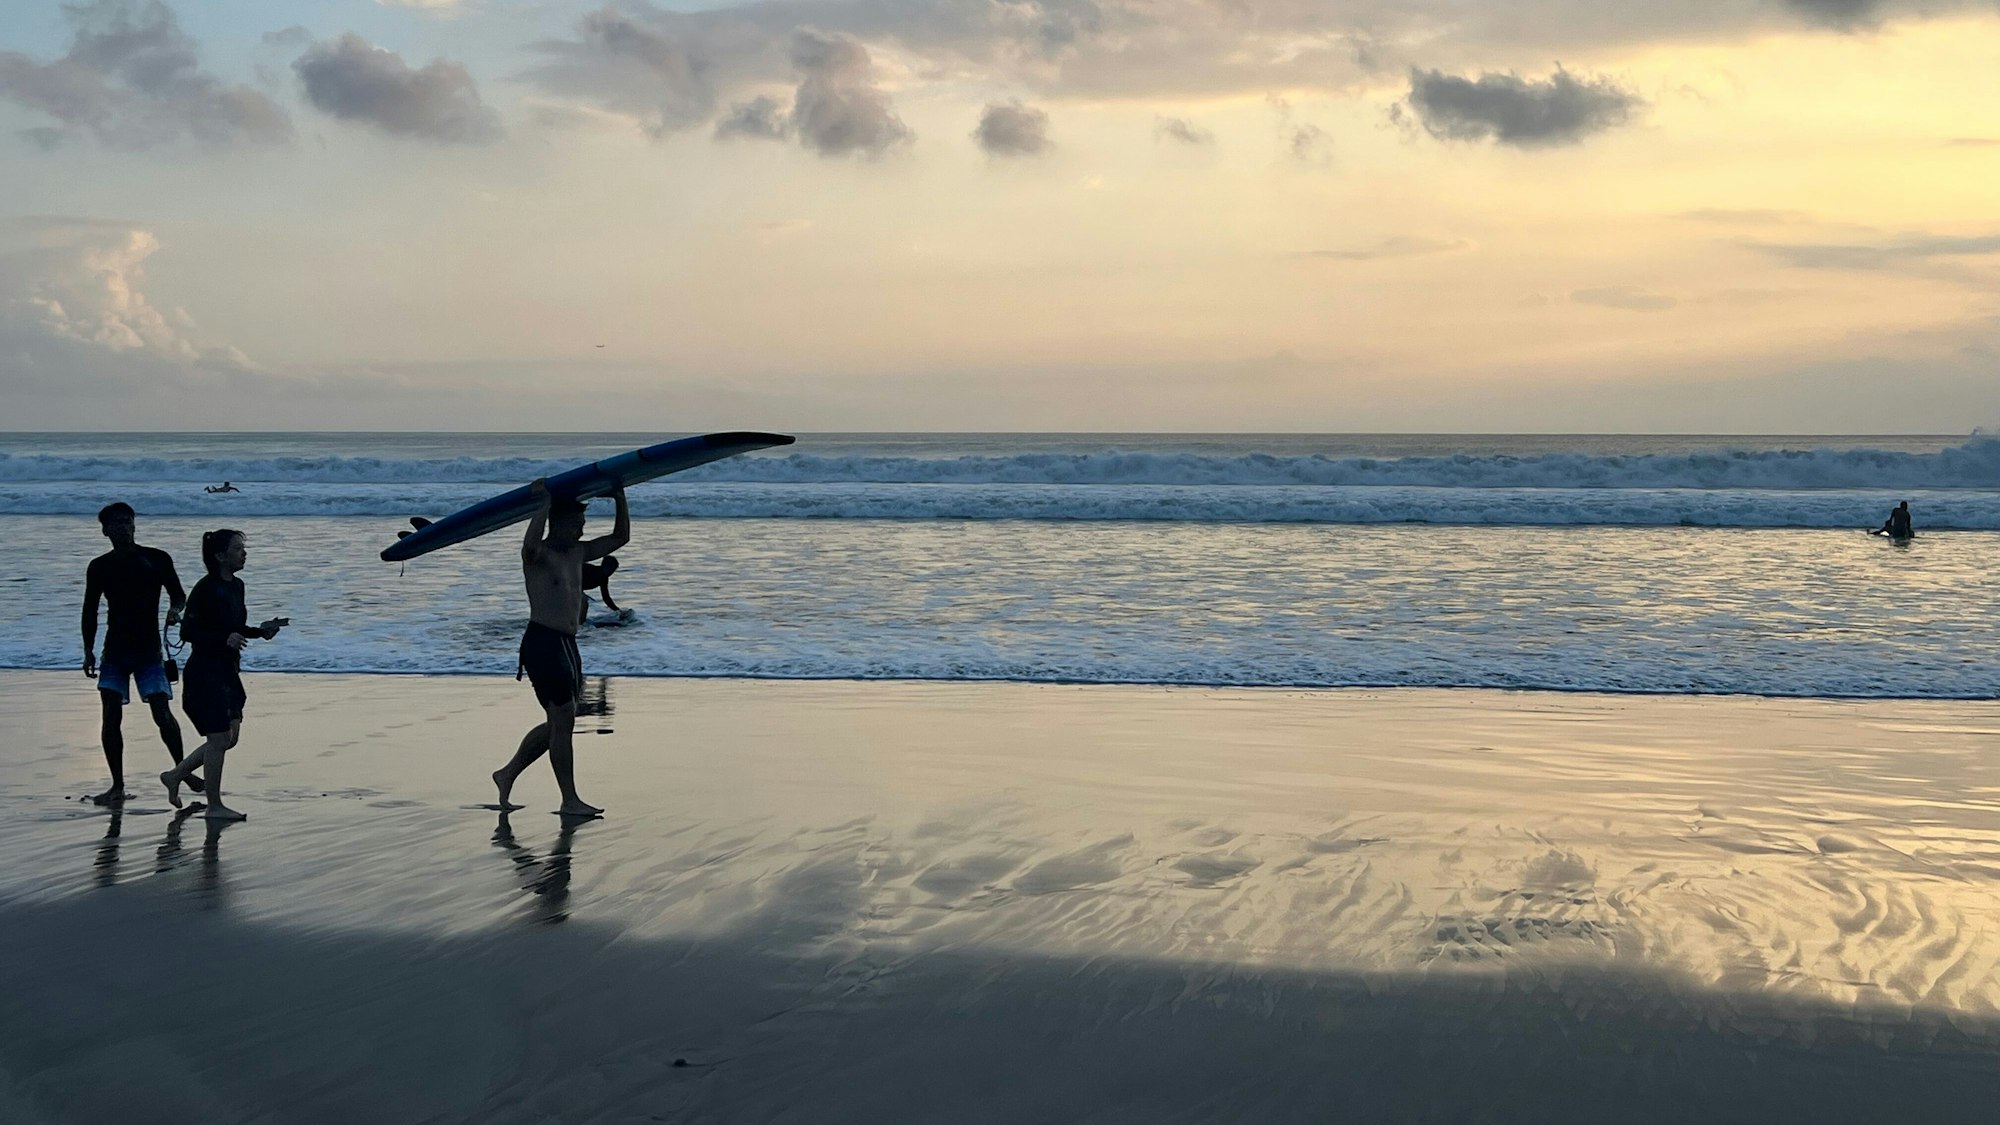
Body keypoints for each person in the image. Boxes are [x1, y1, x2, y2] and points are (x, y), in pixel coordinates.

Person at [492, 481, 628, 817]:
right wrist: (543, 505)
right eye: (577, 525)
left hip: (568, 645)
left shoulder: (577, 553)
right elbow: (527, 547)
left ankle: (507, 774)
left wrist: (620, 496)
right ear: (560, 523)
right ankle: (569, 800)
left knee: (559, 722)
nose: (582, 531)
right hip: (543, 642)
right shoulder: (539, 555)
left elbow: (620, 538)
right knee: (563, 719)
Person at [159, 529, 286, 821]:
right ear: (220, 555)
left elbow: (233, 628)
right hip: (204, 673)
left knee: (230, 738)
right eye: (238, 548)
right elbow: (188, 631)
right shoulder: (205, 588)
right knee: (218, 740)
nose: (244, 553)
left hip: (228, 671)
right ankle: (214, 805)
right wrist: (222, 639)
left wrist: (260, 632)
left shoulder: (237, 586)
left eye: (243, 548)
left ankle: (175, 774)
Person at [82, 502, 192, 805]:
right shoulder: (100, 566)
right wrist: (87, 650)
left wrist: (173, 611)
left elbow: (179, 595)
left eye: (127, 521)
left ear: (134, 524)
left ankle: (182, 770)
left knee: (162, 712)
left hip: (149, 651)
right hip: (114, 652)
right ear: (105, 530)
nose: (123, 527)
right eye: (116, 523)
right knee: (110, 717)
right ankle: (117, 785)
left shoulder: (156, 558)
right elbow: (89, 610)